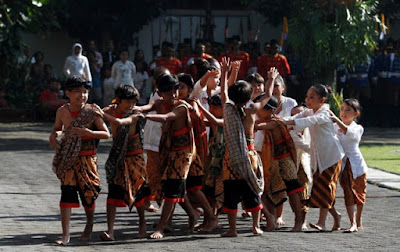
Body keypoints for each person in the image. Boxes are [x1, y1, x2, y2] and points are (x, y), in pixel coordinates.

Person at [220, 57, 277, 237]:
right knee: (252, 190)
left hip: (232, 158)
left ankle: (232, 229)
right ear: (247, 97)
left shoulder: (228, 109)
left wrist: (224, 73)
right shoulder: (252, 110)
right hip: (250, 155)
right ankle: (255, 226)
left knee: (231, 192)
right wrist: (271, 79)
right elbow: (267, 95)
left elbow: (223, 92)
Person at [49, 76, 110, 245]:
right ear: (67, 93)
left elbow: (106, 134)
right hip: (69, 159)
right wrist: (54, 136)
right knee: (67, 193)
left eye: (85, 92)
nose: (82, 95)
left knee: (88, 195)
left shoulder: (92, 111)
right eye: (77, 92)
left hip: (88, 159)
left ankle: (89, 225)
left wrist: (87, 133)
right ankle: (65, 234)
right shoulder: (62, 111)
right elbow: (58, 129)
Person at [283, 84, 344, 232]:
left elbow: (306, 122)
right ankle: (336, 216)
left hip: (331, 157)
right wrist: (280, 119)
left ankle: (322, 223)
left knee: (325, 188)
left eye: (312, 97)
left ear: (322, 100)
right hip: (318, 158)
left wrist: (283, 122)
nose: (307, 100)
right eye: (307, 96)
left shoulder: (325, 114)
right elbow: (294, 118)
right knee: (320, 190)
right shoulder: (309, 111)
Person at [144, 74, 197, 239]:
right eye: (169, 91)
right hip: (171, 151)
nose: (174, 94)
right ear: (160, 93)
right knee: (174, 187)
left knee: (174, 187)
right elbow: (144, 108)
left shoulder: (182, 106)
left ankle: (161, 226)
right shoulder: (160, 103)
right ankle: (195, 215)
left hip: (184, 152)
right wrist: (128, 108)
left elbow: (168, 117)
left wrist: (143, 116)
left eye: (176, 89)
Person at [99, 85, 152, 240]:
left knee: (139, 192)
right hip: (118, 158)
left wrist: (100, 112)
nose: (130, 105)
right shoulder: (111, 110)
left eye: (133, 101)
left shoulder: (135, 114)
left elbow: (121, 123)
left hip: (135, 159)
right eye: (127, 102)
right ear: (118, 101)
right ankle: (110, 230)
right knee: (113, 193)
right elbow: (94, 116)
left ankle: (142, 222)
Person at [255, 96, 304, 232]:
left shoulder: (275, 122)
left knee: (293, 190)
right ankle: (272, 220)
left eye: (259, 109)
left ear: (270, 111)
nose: (257, 111)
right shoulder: (266, 120)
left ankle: (299, 222)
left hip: (284, 160)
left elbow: (257, 126)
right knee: (269, 191)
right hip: (272, 162)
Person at [177, 73, 219, 232]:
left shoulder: (191, 102)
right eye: (176, 87)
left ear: (189, 89)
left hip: (194, 152)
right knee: (176, 186)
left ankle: (210, 217)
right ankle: (195, 215)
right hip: (179, 151)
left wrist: (185, 107)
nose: (178, 90)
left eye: (181, 87)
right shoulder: (176, 103)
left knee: (194, 187)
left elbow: (195, 116)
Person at [329, 98, 368, 233]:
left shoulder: (358, 128)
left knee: (360, 192)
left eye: (348, 110)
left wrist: (335, 119)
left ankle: (358, 219)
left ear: (356, 114)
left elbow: (348, 132)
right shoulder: (334, 127)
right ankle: (352, 222)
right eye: (342, 109)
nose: (343, 112)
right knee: (348, 192)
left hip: (357, 165)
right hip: (343, 164)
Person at [270, 74, 298, 226]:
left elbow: (298, 121)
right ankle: (269, 214)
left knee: (289, 181)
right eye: (271, 85)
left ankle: (283, 216)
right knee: (271, 182)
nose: (274, 89)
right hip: (267, 148)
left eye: (276, 85)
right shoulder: (264, 102)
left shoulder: (290, 103)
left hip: (288, 148)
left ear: (283, 87)